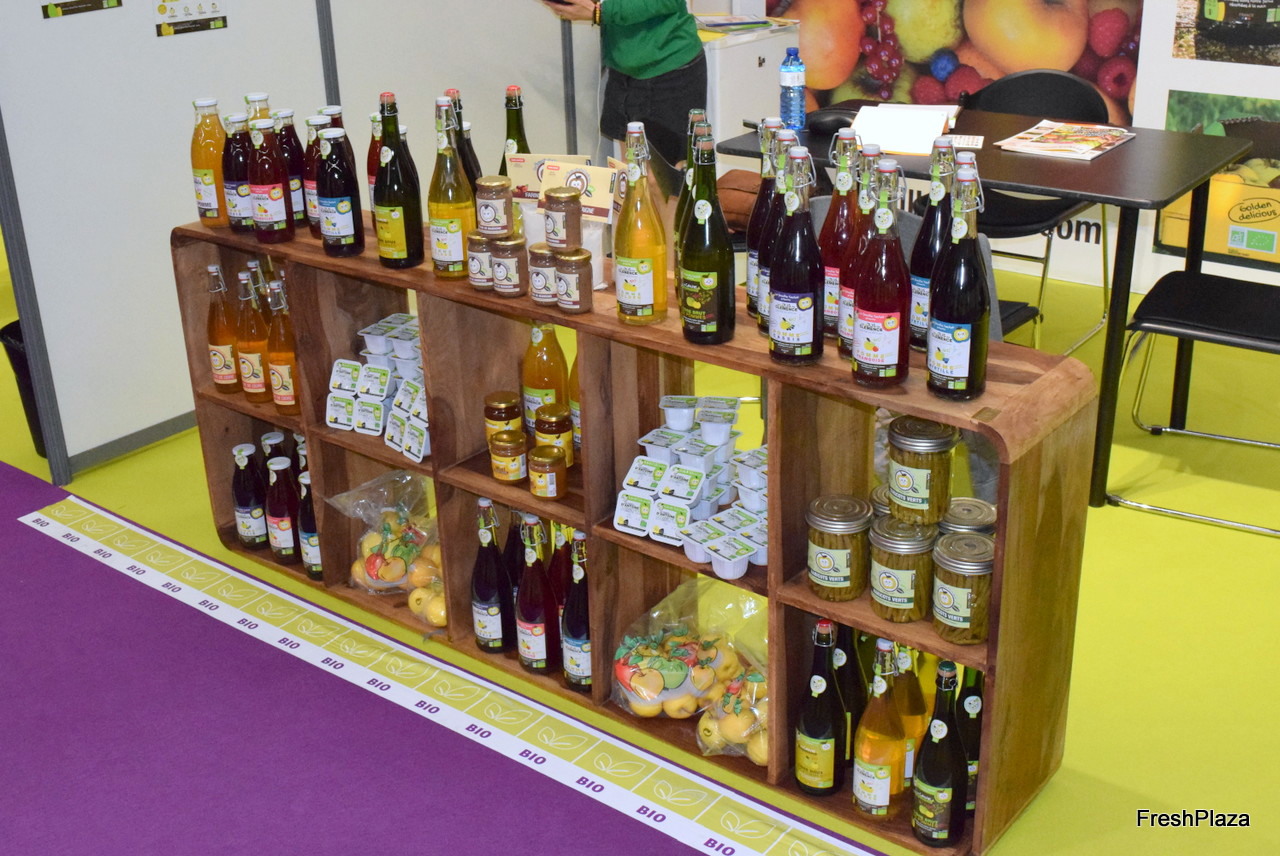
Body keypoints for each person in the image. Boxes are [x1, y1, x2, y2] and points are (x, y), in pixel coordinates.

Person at [541, 0, 707, 170]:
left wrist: (601, 12)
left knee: (663, 177)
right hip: (624, 69)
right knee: (631, 170)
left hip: (668, 69)